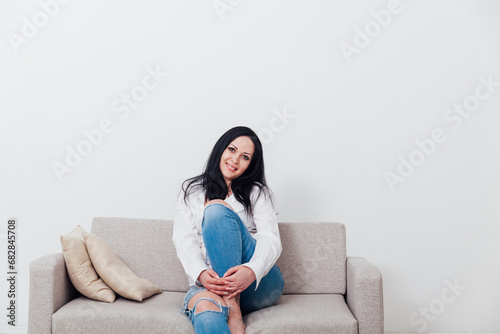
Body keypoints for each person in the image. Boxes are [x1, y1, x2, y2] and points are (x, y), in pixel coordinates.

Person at [172, 126, 284, 334]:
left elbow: (271, 239)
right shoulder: (190, 191)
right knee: (206, 309)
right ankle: (228, 302)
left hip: (257, 286)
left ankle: (232, 307)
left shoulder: (258, 193)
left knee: (215, 210)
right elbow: (183, 238)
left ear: (251, 164)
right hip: (208, 284)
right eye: (231, 150)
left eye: (245, 157)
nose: (235, 160)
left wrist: (251, 271)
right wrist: (201, 273)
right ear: (221, 149)